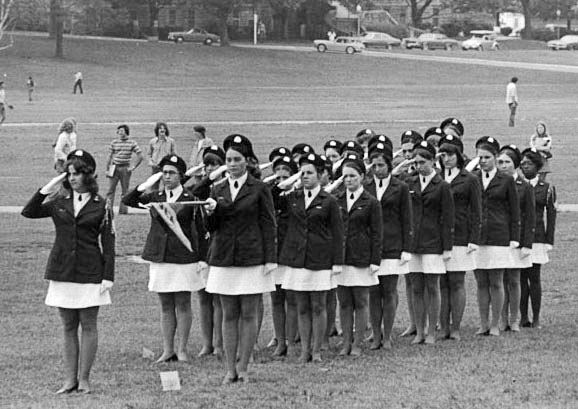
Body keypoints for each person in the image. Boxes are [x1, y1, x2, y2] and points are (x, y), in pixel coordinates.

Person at [22, 149, 115, 394]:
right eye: (69, 174)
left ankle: (84, 379)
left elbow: (109, 242)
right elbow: (29, 211)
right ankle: (69, 380)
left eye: (77, 173)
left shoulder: (101, 205)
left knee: (89, 324)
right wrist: (50, 185)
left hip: (90, 271)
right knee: (68, 326)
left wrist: (108, 276)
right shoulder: (58, 202)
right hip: (62, 271)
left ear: (88, 175)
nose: (72, 178)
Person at [203, 134, 277, 384]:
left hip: (251, 257)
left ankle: (244, 366)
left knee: (248, 313)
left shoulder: (259, 188)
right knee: (228, 313)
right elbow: (212, 227)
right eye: (229, 160)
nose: (232, 164)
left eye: (237, 159)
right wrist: (210, 212)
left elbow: (268, 224)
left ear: (247, 161)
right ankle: (229, 368)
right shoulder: (218, 188)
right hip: (224, 257)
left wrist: (270, 259)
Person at [123, 154, 208, 363]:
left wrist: (202, 258)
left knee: (183, 303)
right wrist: (146, 184)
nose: (167, 176)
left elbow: (200, 228)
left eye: (171, 173)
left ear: (181, 175)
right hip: (160, 255)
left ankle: (182, 349)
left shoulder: (190, 198)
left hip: (183, 256)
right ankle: (167, 349)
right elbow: (128, 201)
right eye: (164, 173)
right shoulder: (156, 196)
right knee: (165, 304)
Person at [278, 153, 344, 363]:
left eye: (309, 173)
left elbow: (337, 233)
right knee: (302, 306)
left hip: (319, 258)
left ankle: (317, 349)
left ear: (320, 175)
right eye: (302, 173)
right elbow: (272, 195)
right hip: (297, 258)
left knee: (318, 306)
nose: (305, 176)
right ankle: (304, 348)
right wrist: (291, 180)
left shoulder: (329, 200)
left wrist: (337, 262)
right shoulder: (293, 197)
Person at [406, 141, 454, 345]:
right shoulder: (410, 183)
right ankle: (419, 330)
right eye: (416, 162)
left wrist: (447, 247)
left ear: (433, 162)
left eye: (423, 162)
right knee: (416, 287)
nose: (419, 166)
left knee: (433, 287)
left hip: (433, 242)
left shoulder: (442, 186)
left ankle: (433, 330)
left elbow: (448, 217)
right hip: (414, 243)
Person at [366, 142, 413, 350]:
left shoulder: (400, 187)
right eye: (374, 166)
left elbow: (407, 218)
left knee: (390, 289)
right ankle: (376, 334)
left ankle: (387, 334)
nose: (377, 170)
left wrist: (406, 248)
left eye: (381, 166)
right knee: (374, 292)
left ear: (389, 166)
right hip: (370, 246)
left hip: (393, 243)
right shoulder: (365, 187)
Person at [335, 155, 382, 356]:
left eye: (353, 176)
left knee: (361, 301)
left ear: (362, 176)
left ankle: (357, 343)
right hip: (342, 258)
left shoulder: (371, 202)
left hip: (361, 257)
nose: (349, 180)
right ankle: (346, 341)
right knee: (344, 302)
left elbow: (377, 232)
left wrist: (375, 260)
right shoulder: (336, 200)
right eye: (345, 177)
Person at [474, 136, 520, 336]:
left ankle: (495, 323)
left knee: (496, 281)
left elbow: (514, 211)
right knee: (481, 282)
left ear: (494, 157)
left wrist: (514, 238)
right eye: (480, 158)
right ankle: (483, 323)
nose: (482, 161)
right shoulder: (472, 178)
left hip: (499, 234)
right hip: (477, 237)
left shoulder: (506, 180)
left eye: (486, 157)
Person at [438, 135, 481, 341]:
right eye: (443, 155)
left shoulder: (470, 179)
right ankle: (443, 325)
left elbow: (476, 211)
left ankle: (455, 327)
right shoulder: (436, 177)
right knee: (441, 284)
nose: (446, 159)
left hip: (461, 236)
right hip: (438, 237)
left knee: (456, 282)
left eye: (450, 155)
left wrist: (474, 238)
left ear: (458, 156)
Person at [187, 145, 226, 357]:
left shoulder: (225, 188)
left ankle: (220, 343)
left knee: (219, 298)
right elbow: (194, 194)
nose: (210, 168)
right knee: (203, 297)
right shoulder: (201, 187)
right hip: (202, 247)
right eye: (207, 164)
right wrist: (207, 177)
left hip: (219, 247)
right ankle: (207, 343)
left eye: (215, 164)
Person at [497, 145, 535, 333]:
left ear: (515, 165)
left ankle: (514, 319)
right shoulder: (494, 183)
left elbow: (530, 216)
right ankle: (501, 318)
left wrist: (527, 243)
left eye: (507, 162)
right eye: (500, 162)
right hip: (500, 237)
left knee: (514, 279)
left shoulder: (524, 186)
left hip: (517, 239)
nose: (503, 166)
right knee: (500, 280)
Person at [520, 148, 556, 329]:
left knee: (534, 278)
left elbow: (551, 215)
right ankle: (522, 317)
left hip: (537, 237)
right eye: (523, 164)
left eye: (529, 164)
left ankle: (536, 318)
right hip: (519, 237)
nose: (525, 167)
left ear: (538, 166)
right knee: (520, 279)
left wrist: (549, 240)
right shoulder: (516, 185)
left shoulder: (547, 188)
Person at [268, 155, 299, 357]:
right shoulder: (272, 196)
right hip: (275, 254)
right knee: (276, 299)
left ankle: (292, 338)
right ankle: (280, 340)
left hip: (293, 254)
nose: (280, 181)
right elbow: (271, 193)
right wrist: (279, 185)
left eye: (285, 177)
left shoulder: (298, 197)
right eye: (277, 177)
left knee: (293, 300)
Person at [105, 124, 143, 215]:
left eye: (122, 131)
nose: (120, 133)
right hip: (114, 167)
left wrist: (133, 167)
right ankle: (108, 210)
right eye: (119, 131)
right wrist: (107, 169)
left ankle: (123, 211)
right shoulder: (114, 142)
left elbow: (140, 156)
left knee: (125, 191)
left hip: (125, 168)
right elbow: (109, 156)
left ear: (126, 131)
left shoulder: (132, 143)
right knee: (110, 190)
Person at [147, 122, 176, 191]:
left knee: (166, 185)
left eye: (164, 128)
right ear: (157, 130)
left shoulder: (171, 141)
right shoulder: (152, 141)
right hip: (155, 167)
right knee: (154, 185)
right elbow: (149, 154)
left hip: (166, 167)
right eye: (160, 128)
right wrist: (151, 163)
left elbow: (174, 154)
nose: (162, 130)